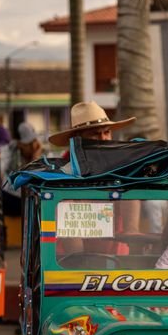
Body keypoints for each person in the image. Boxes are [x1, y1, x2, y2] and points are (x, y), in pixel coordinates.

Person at [49, 101, 140, 253]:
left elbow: (132, 198)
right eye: (95, 133)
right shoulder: (64, 172)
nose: (104, 138)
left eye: (107, 132)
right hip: (73, 264)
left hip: (119, 262)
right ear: (78, 139)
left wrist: (134, 245)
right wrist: (82, 269)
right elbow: (69, 227)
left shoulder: (122, 167)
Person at [2, 122, 44, 216]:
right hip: (12, 198)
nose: (33, 146)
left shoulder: (41, 153)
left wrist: (36, 159)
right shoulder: (9, 151)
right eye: (29, 144)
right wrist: (34, 160)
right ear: (19, 144)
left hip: (31, 198)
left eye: (34, 141)